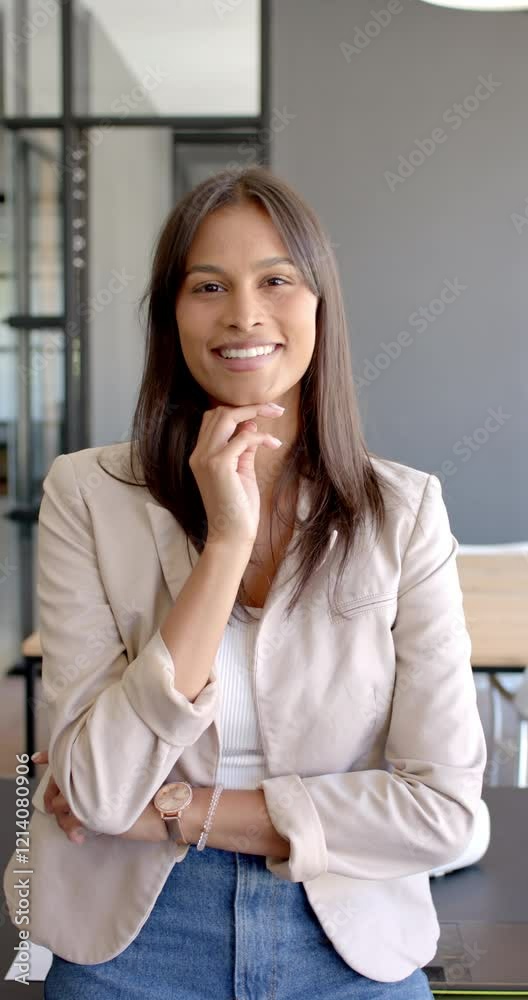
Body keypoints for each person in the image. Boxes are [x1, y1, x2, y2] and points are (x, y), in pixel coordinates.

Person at [3, 165, 487, 999]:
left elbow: (443, 812)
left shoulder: (404, 511)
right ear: (171, 315)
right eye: (208, 285)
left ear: (319, 306)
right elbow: (92, 788)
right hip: (135, 939)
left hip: (348, 930)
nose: (244, 314)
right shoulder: (86, 493)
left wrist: (177, 810)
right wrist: (226, 543)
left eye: (276, 280)